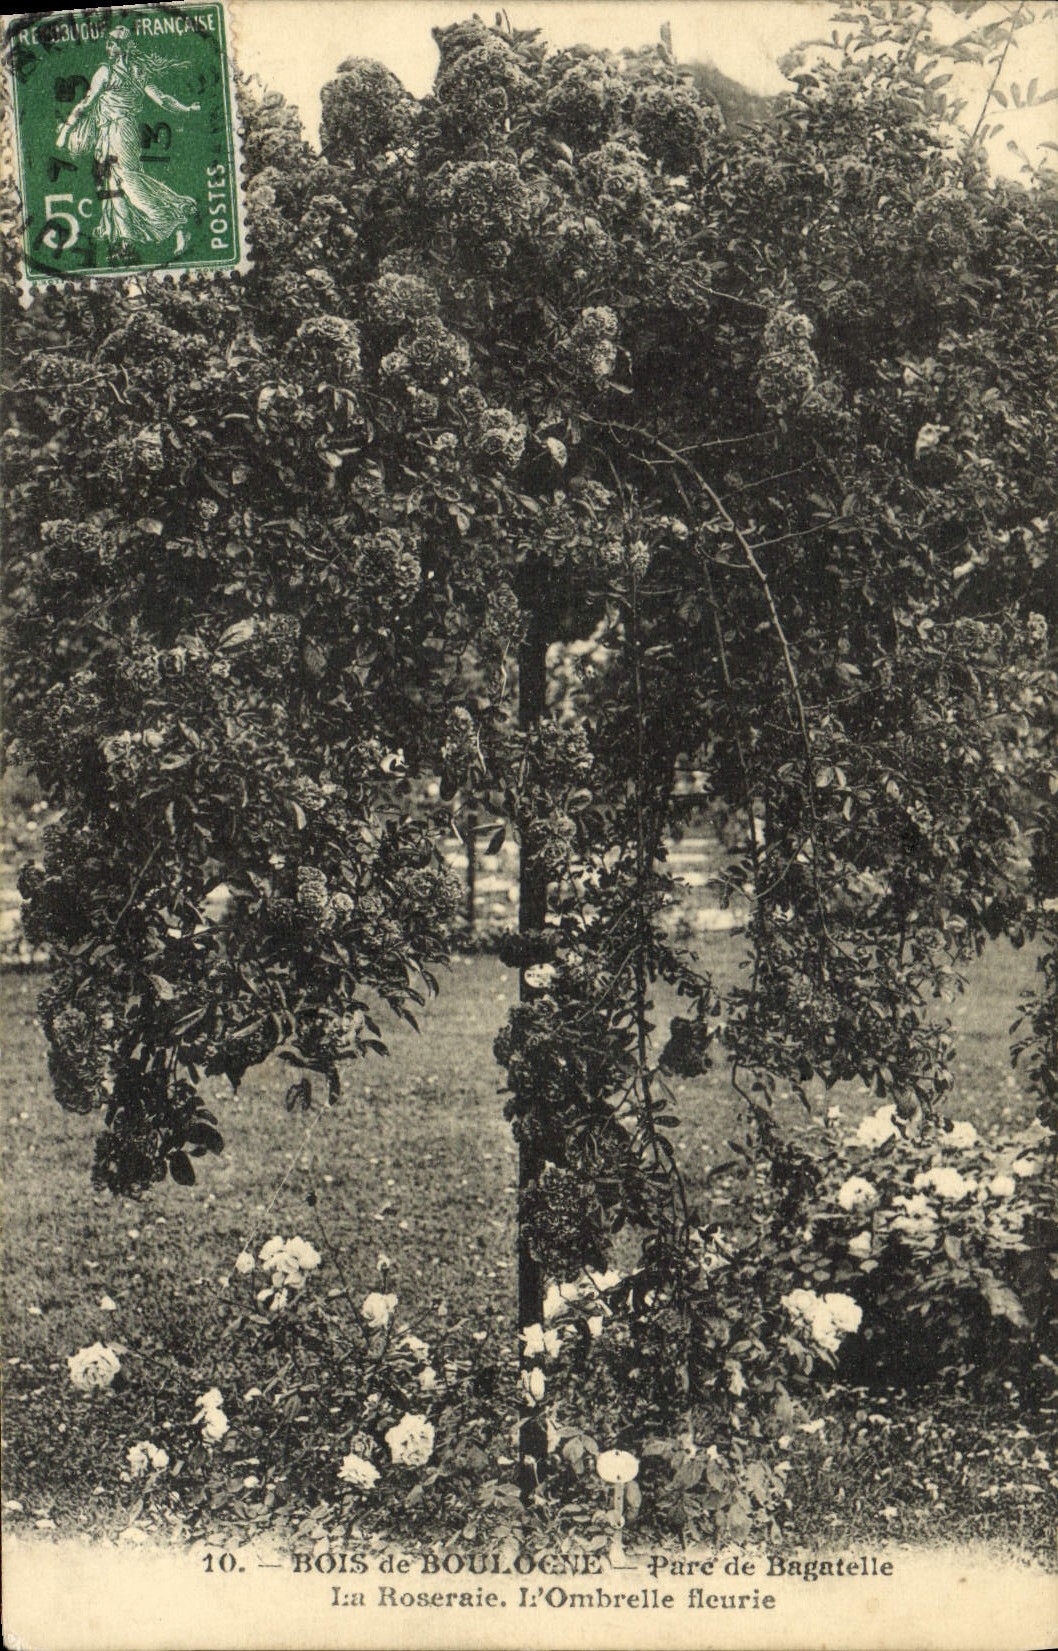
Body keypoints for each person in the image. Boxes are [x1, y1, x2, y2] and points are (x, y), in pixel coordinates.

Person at [56, 26, 201, 254]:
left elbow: (86, 104)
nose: (108, 48)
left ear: (123, 47)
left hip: (118, 132)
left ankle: (173, 223)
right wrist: (186, 108)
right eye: (108, 43)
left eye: (113, 44)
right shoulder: (137, 72)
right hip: (117, 132)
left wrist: (65, 131)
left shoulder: (107, 72)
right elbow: (162, 99)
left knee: (127, 181)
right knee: (112, 183)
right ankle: (125, 238)